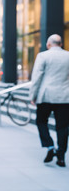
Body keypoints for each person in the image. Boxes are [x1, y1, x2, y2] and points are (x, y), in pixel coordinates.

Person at [30, 34, 69, 167]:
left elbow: (36, 77)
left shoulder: (43, 56)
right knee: (63, 127)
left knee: (41, 121)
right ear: (61, 44)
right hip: (64, 97)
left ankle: (49, 146)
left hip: (46, 96)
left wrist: (32, 96)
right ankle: (61, 157)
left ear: (48, 44)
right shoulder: (68, 56)